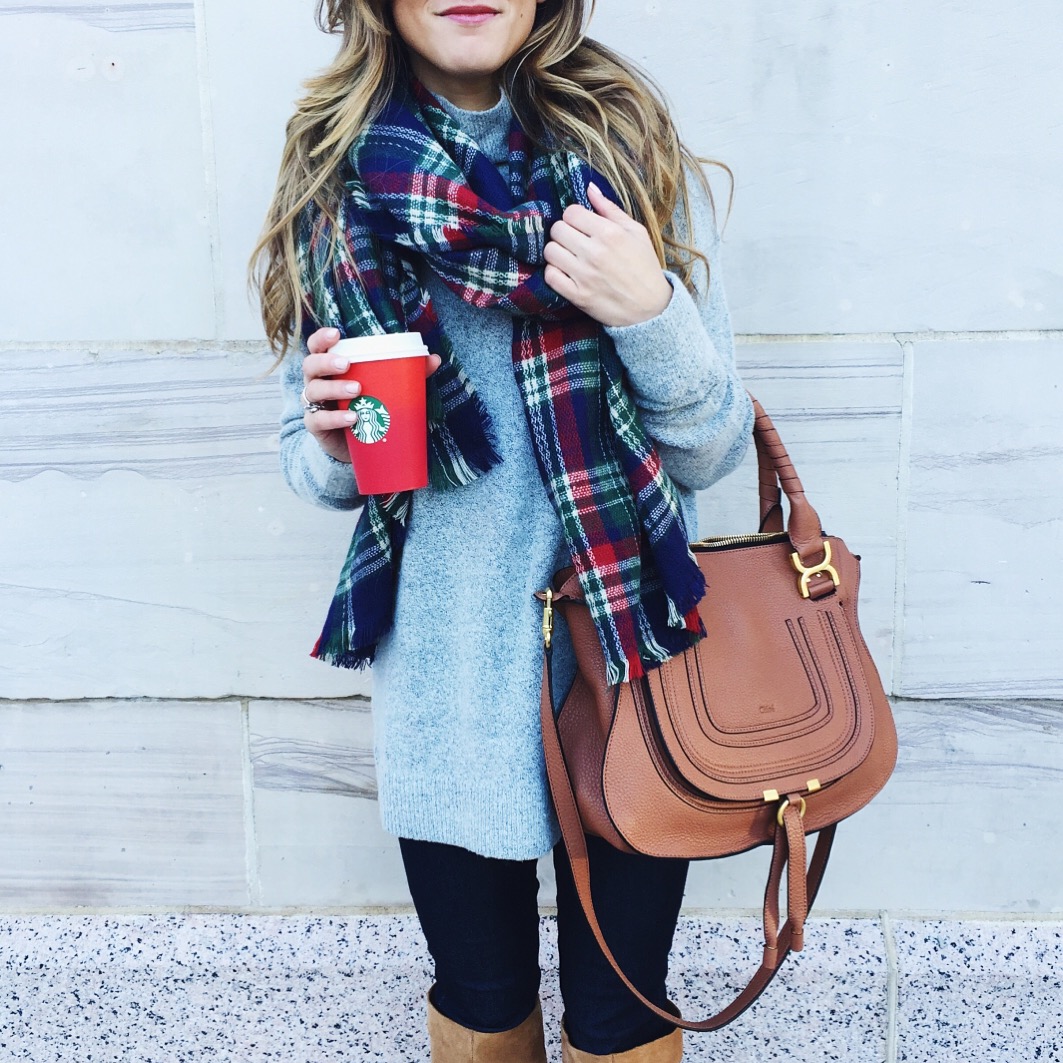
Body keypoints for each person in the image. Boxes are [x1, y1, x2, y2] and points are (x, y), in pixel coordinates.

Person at [251, 1, 753, 1059]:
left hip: (627, 662)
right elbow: (308, 459)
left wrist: (646, 307)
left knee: (622, 1008)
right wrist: (334, 440)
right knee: (477, 1000)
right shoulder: (335, 181)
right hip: (448, 679)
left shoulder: (621, 151)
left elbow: (712, 446)